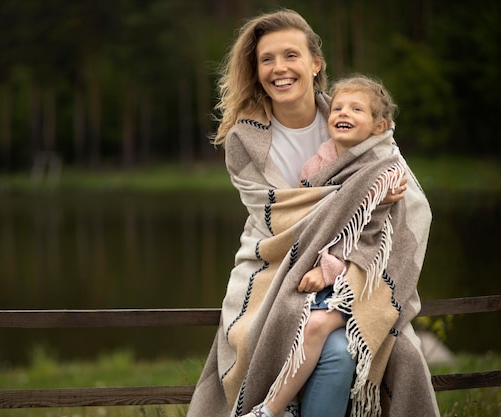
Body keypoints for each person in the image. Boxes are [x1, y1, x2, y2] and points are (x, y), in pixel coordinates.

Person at [187, 8, 439, 417]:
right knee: (294, 339)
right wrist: (363, 196)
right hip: (272, 265)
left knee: (345, 350)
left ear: (315, 63)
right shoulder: (244, 141)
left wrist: (371, 200)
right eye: (266, 59)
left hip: (356, 268)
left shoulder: (350, 117)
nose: (279, 68)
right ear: (255, 69)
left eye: (291, 55)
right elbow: (277, 220)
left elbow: (408, 200)